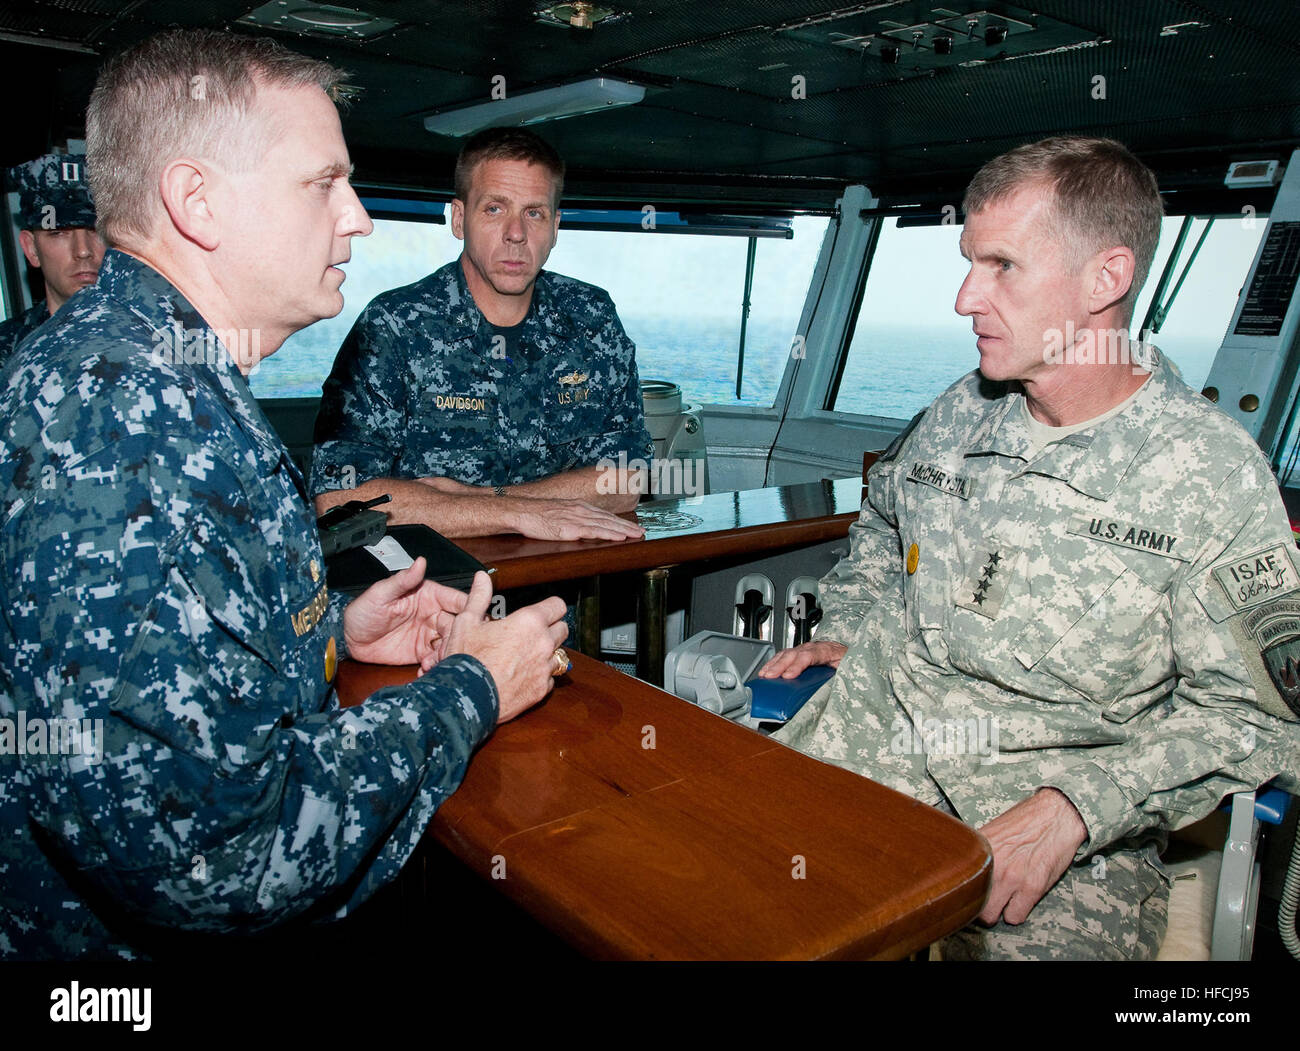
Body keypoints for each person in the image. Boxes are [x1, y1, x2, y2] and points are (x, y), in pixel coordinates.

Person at [0, 28, 570, 960]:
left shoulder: (145, 371)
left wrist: (328, 637)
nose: (359, 218)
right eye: (324, 182)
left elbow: (173, 666)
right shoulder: (127, 425)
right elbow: (213, 855)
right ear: (198, 202)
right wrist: (471, 687)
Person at [761, 136, 1300, 960]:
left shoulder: (1209, 475)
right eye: (969, 261)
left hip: (1065, 834)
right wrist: (854, 618)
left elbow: (1261, 720)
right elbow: (880, 522)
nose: (963, 298)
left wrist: (1078, 805)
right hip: (873, 752)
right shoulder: (959, 412)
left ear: (1105, 279)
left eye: (1001, 266)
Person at [309, 127, 653, 541]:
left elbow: (629, 479)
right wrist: (517, 514)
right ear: (459, 218)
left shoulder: (590, 318)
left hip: (560, 593)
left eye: (534, 213)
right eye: (494, 209)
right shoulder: (394, 326)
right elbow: (340, 499)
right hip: (431, 597)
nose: (516, 233)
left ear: (556, 226)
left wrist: (492, 499)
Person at [0, 152, 105, 364]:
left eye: (95, 231)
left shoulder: (159, 339)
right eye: (58, 233)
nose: (83, 250)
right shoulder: (8, 351)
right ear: (31, 249)